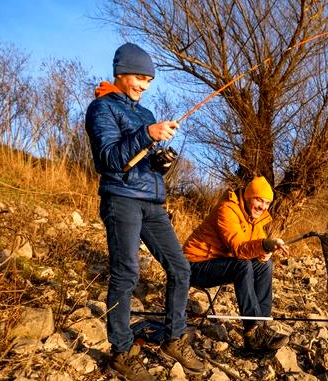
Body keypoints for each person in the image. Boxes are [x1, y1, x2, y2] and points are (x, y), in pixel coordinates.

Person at [85, 43, 204, 380]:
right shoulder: (101, 109)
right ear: (121, 73)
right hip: (120, 199)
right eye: (140, 77)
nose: (145, 86)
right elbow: (109, 159)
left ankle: (174, 338)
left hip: (151, 202)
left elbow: (142, 164)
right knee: (126, 275)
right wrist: (146, 134)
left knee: (181, 268)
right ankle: (122, 351)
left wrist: (160, 163)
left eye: (149, 80)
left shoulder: (146, 114)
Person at [183, 176, 292, 351]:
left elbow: (254, 247)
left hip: (219, 263)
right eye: (259, 200)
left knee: (265, 266)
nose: (263, 207)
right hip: (194, 265)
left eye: (267, 203)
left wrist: (265, 252)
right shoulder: (227, 210)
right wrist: (264, 244)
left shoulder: (256, 218)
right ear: (249, 197)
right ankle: (252, 332)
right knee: (242, 265)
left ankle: (262, 327)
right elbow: (239, 249)